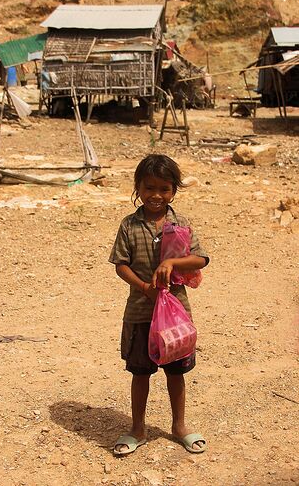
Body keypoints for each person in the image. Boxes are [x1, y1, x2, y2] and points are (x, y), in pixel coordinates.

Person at [109, 154, 209, 456]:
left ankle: (179, 426)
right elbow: (120, 264)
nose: (156, 195)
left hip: (175, 316)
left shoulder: (181, 224)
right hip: (141, 312)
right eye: (149, 187)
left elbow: (201, 258)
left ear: (174, 190)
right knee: (140, 372)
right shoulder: (129, 225)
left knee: (176, 373)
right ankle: (137, 428)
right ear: (138, 187)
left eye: (164, 189)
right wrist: (143, 288)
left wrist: (172, 261)